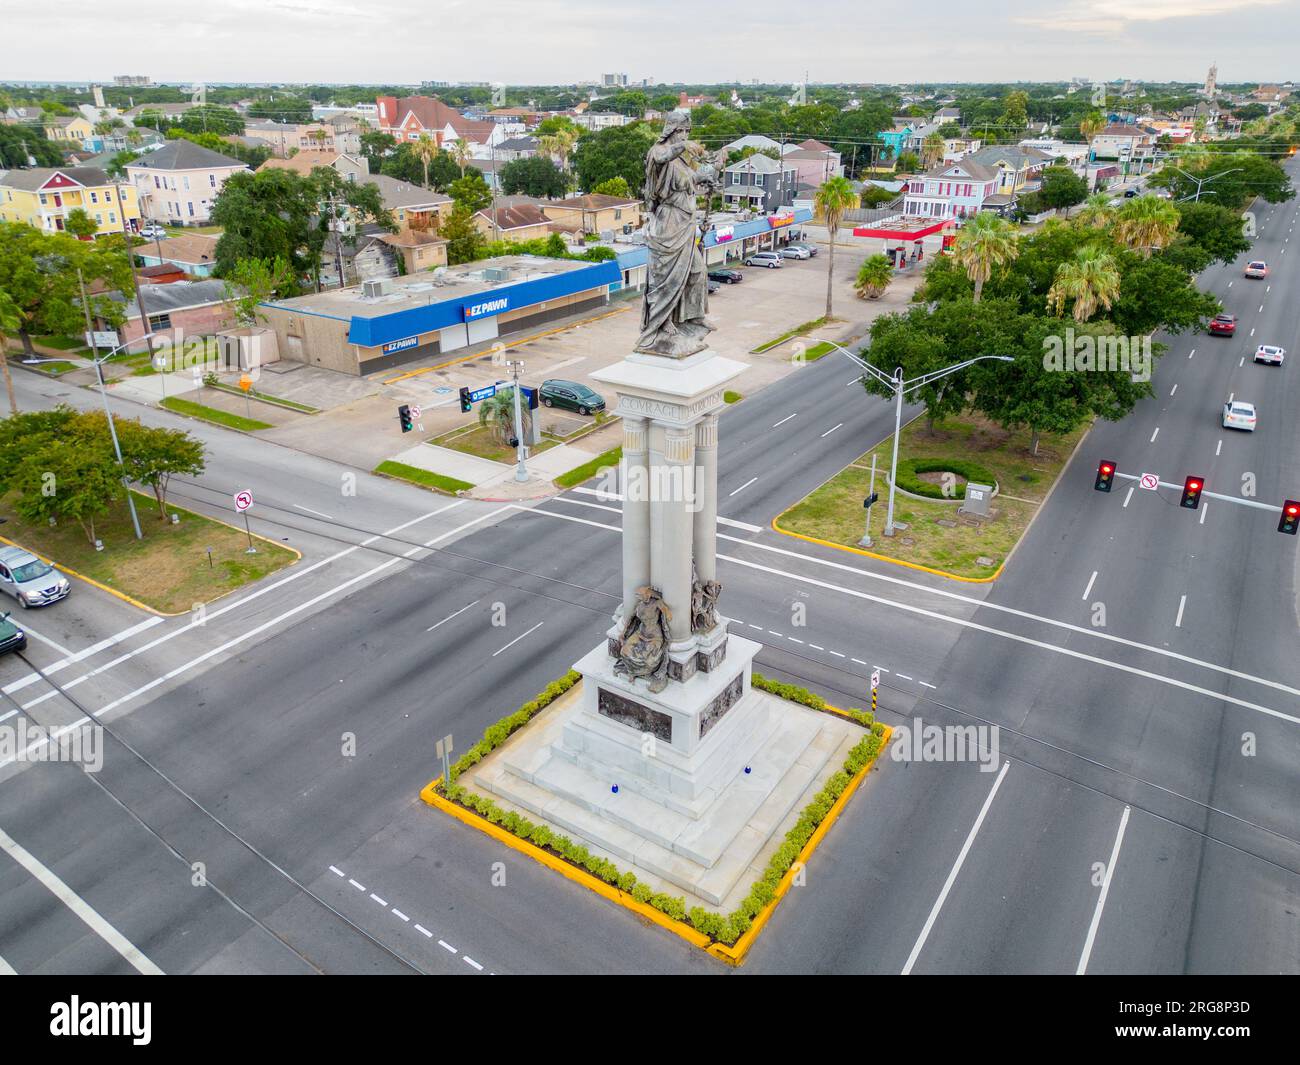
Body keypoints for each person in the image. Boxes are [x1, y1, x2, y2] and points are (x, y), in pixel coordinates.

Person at [636, 111, 717, 358]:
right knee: (666, 280)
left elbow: (691, 181)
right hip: (667, 225)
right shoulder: (658, 153)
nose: (684, 135)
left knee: (697, 271)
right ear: (670, 130)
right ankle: (660, 325)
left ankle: (693, 319)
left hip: (685, 224)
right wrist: (683, 145)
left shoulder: (682, 161)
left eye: (687, 132)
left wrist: (707, 175)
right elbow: (662, 157)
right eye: (680, 131)